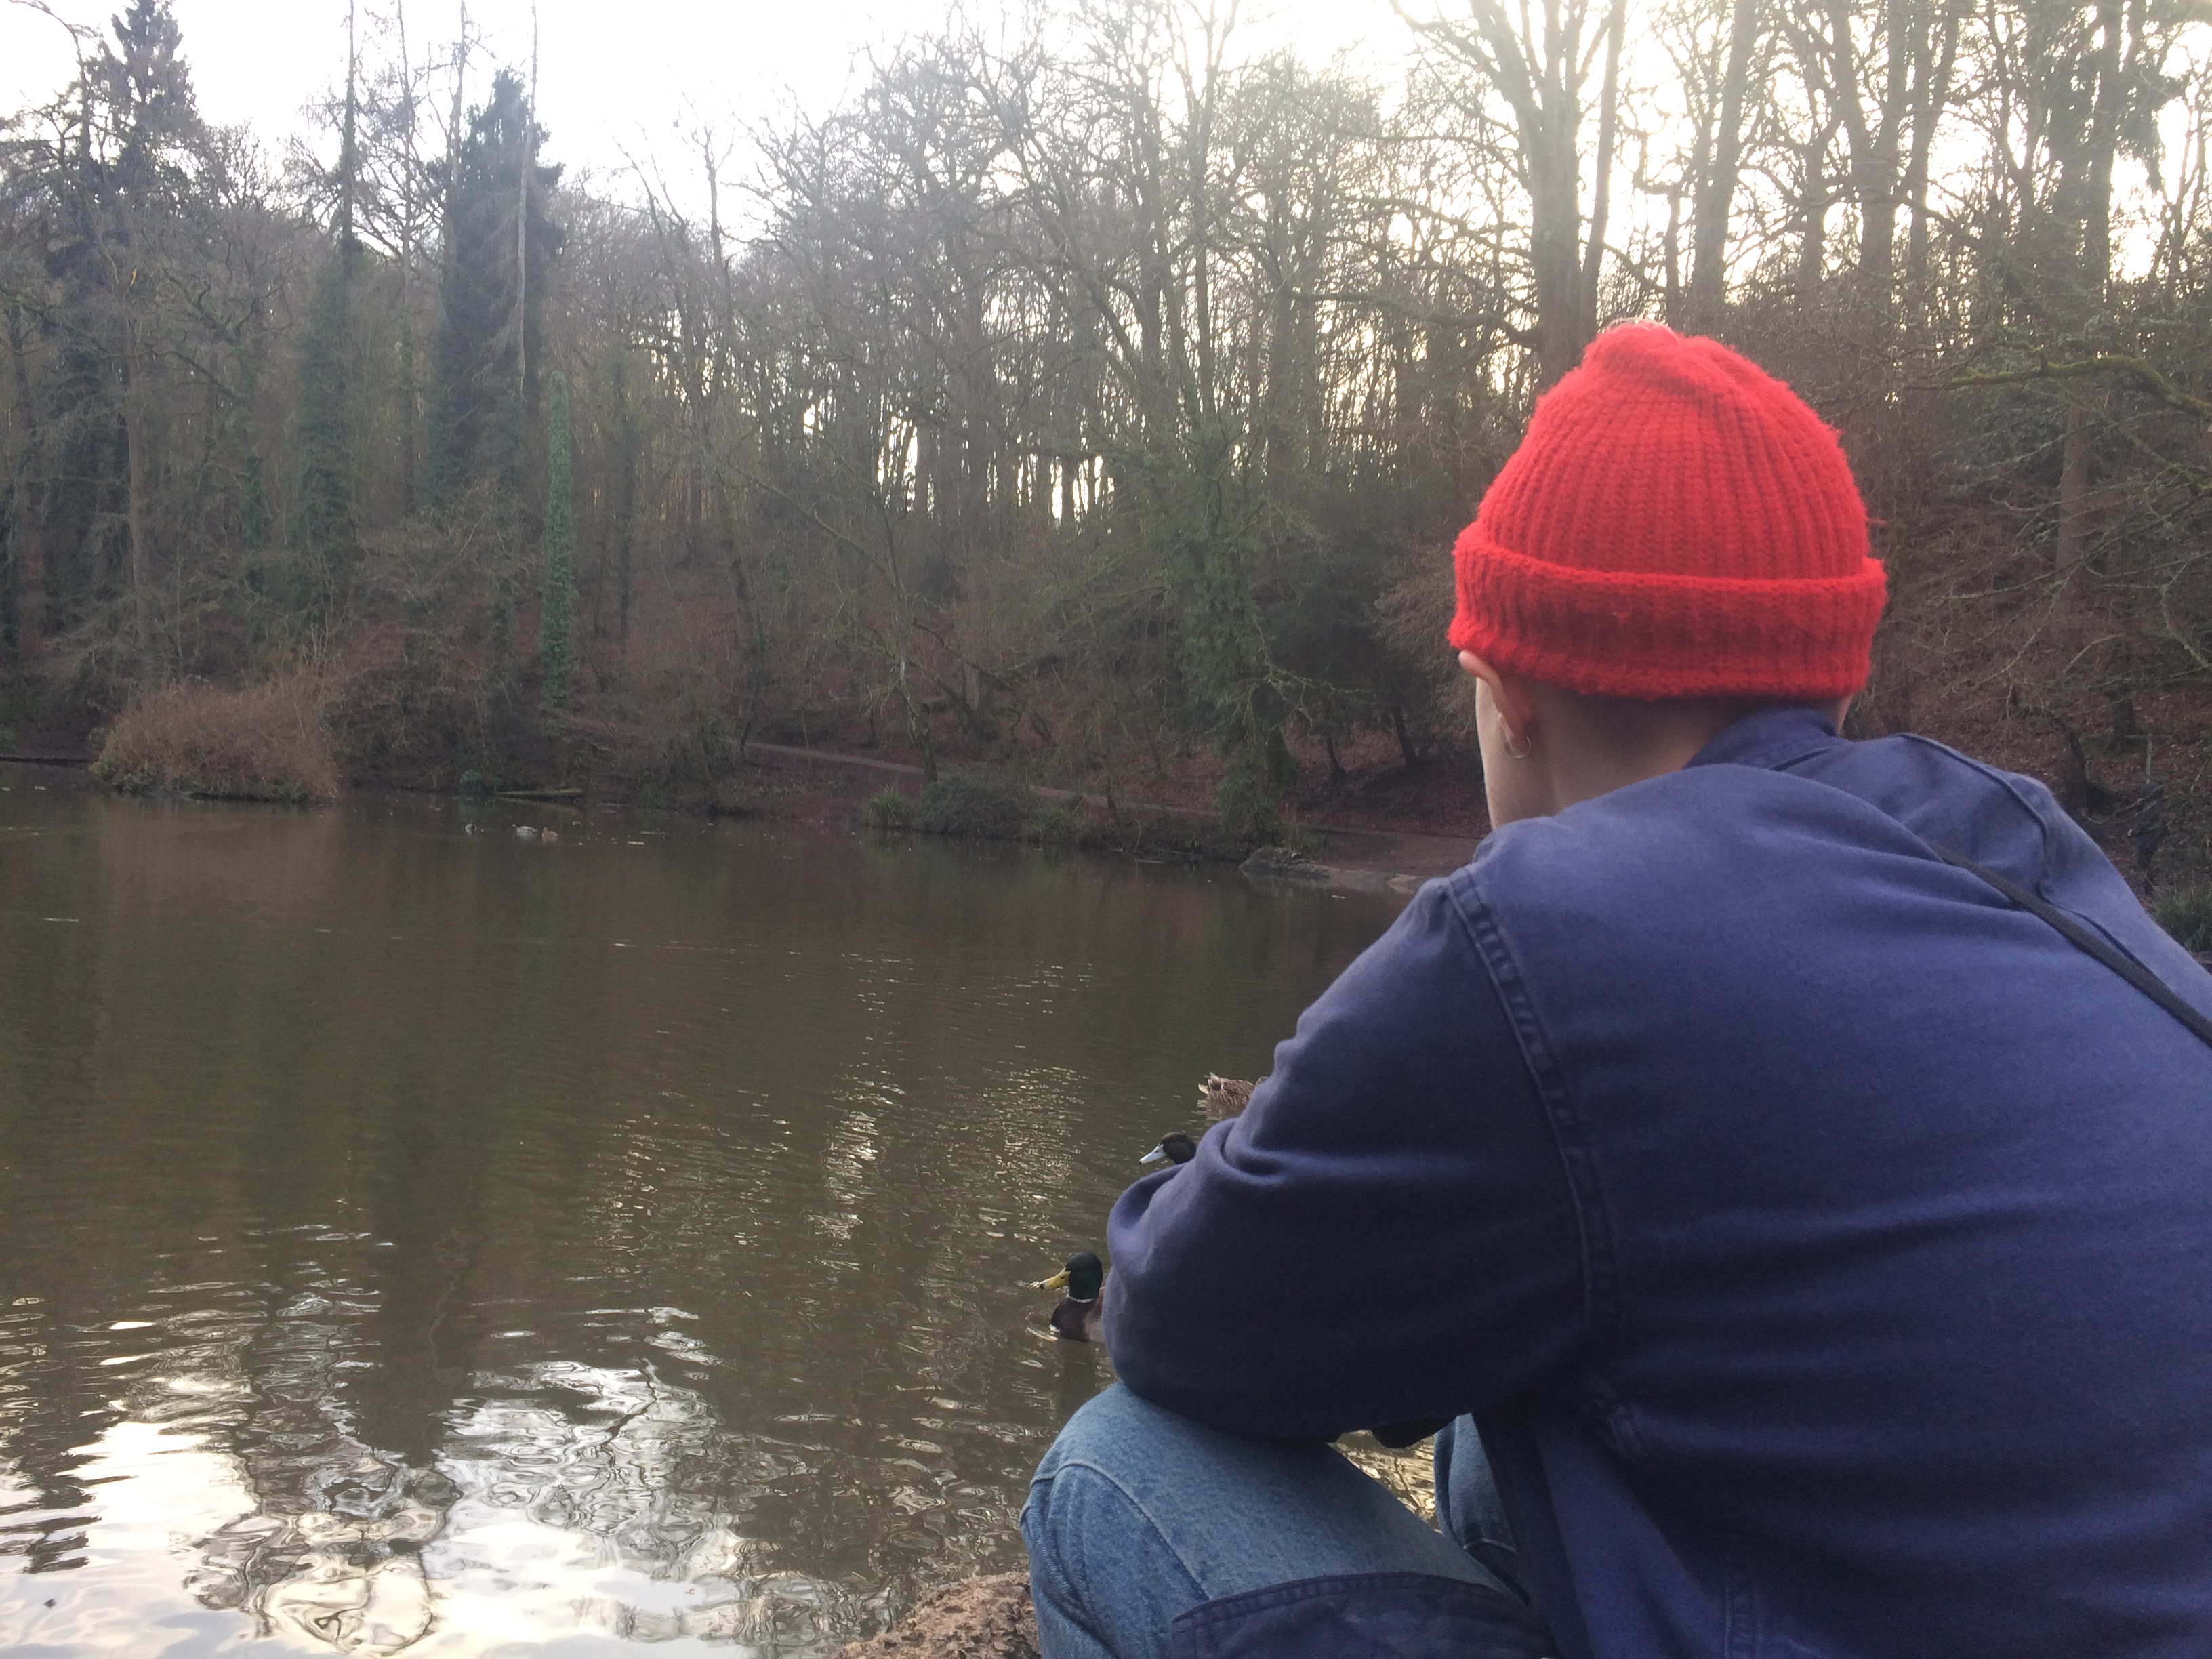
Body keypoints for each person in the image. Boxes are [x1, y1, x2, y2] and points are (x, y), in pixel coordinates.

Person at [1019, 325, 2212, 1659]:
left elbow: (1187, 1325)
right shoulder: (2027, 846)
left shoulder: (1545, 924)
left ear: (1509, 695)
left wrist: (1172, 1215)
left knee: (1112, 1473)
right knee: (1529, 1383)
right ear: (1825, 672)